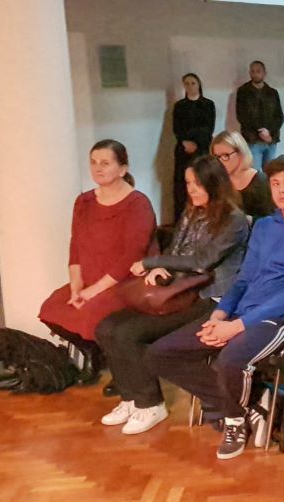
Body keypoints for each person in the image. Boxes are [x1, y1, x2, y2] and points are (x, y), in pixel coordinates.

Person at [144, 155, 284, 459]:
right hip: (240, 312)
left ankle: (234, 421)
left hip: (281, 318)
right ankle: (254, 404)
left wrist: (236, 326)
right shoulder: (264, 226)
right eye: (276, 184)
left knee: (229, 359)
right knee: (160, 353)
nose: (282, 190)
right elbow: (243, 280)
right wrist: (219, 315)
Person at [96, 155, 248, 432]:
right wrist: (160, 268)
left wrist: (152, 262)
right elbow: (176, 249)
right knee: (106, 326)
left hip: (208, 298)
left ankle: (150, 404)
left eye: (198, 184)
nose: (191, 189)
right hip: (180, 290)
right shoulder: (192, 211)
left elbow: (203, 261)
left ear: (214, 184)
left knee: (128, 333)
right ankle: (130, 399)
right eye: (188, 183)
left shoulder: (233, 219)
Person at [38, 139, 157, 377]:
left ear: (122, 169)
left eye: (105, 163)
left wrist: (93, 291)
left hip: (123, 282)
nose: (97, 168)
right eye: (93, 162)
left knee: (92, 313)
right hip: (89, 280)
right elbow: (76, 245)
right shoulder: (84, 201)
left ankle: (122, 368)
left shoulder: (138, 203)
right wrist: (76, 286)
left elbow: (132, 255)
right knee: (51, 309)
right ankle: (92, 350)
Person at [172, 73, 215, 221]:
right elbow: (177, 128)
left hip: (201, 149)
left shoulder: (208, 104)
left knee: (201, 181)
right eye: (187, 83)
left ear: (199, 85)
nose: (190, 86)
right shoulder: (179, 106)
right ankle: (182, 219)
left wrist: (196, 143)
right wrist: (185, 142)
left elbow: (208, 128)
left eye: (193, 83)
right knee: (182, 185)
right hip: (183, 149)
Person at [210, 131, 272, 220]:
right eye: (217, 157)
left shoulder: (262, 181)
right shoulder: (216, 181)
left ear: (240, 153)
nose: (220, 162)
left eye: (225, 155)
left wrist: (247, 220)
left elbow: (272, 219)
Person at [235, 61, 284, 169]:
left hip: (271, 140)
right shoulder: (243, 92)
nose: (255, 74)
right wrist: (261, 131)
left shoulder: (272, 92)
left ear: (265, 73)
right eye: (252, 71)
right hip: (252, 139)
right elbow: (242, 116)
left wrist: (269, 132)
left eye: (258, 71)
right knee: (256, 174)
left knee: (271, 172)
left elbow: (279, 116)